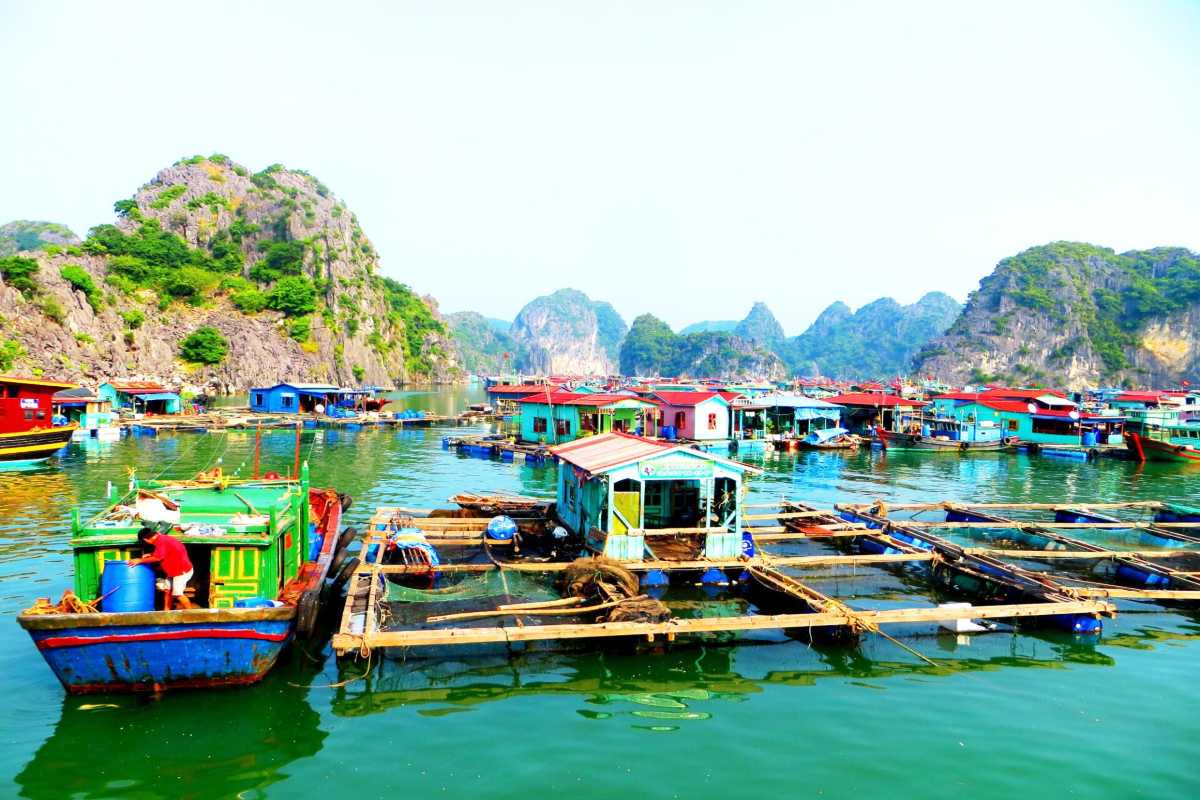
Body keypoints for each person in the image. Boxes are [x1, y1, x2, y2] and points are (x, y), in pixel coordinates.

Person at [128, 526, 195, 609]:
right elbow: (165, 552)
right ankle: (166, 611)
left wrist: (139, 560)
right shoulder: (161, 538)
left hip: (181, 572)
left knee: (178, 594)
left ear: (146, 539)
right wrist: (151, 555)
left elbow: (158, 558)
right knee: (167, 591)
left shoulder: (162, 541)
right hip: (173, 571)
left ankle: (190, 613)